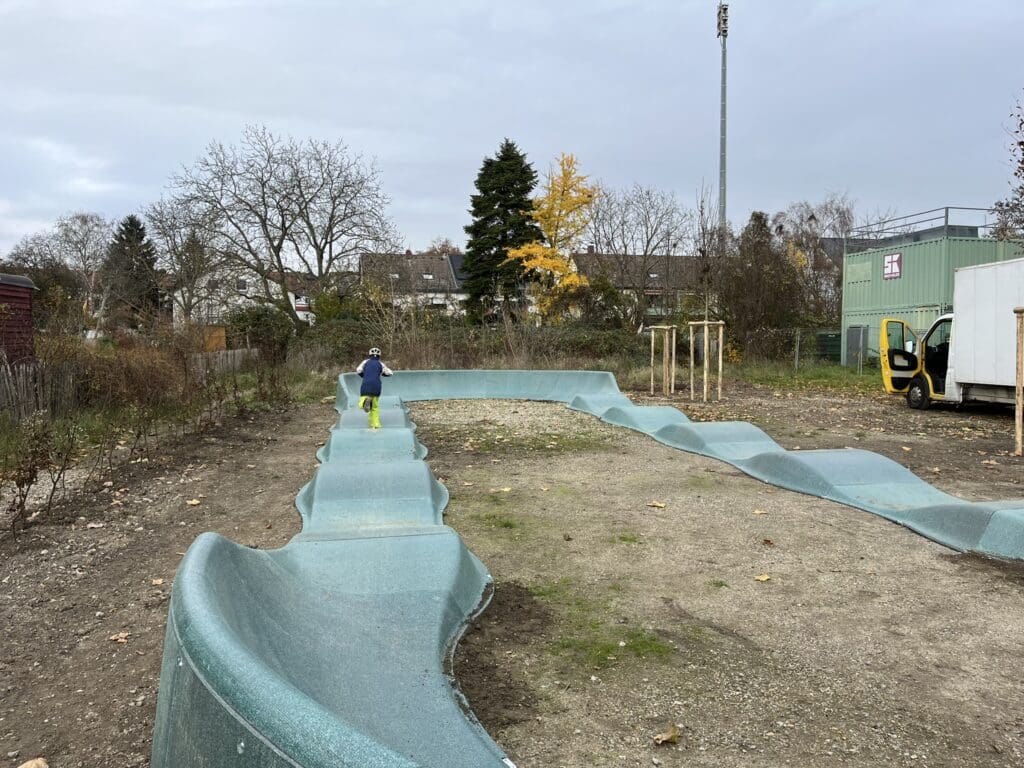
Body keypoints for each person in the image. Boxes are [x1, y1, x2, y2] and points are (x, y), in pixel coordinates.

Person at [355, 347, 393, 430]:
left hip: (366, 385)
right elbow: (390, 373)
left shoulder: (365, 362)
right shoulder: (381, 364)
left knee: (362, 404)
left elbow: (358, 370)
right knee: (375, 407)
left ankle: (365, 402)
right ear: (379, 356)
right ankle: (375, 424)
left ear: (369, 355)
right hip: (377, 386)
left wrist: (364, 375)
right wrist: (382, 373)